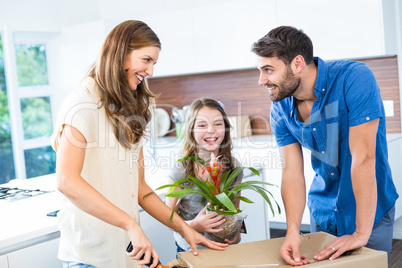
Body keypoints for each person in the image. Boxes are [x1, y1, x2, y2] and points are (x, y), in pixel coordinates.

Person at [51, 20, 227, 268]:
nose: (151, 71)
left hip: (127, 253)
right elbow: (67, 182)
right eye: (146, 60)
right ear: (121, 53)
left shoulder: (132, 106)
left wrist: (184, 228)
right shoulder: (82, 104)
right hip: (90, 256)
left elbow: (141, 189)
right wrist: (129, 223)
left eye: (154, 63)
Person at [251, 26, 398, 266]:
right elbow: (292, 171)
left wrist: (361, 233)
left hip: (369, 213)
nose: (261, 80)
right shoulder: (280, 107)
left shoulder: (354, 78)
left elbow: (364, 158)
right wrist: (292, 231)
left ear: (297, 64)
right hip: (323, 210)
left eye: (268, 70)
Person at [165, 98, 244, 254]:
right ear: (189, 130)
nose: (211, 130)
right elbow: (167, 218)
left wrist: (238, 233)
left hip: (223, 247)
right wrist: (194, 225)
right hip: (191, 249)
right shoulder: (182, 170)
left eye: (218, 124)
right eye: (202, 125)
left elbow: (234, 209)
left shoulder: (233, 167)